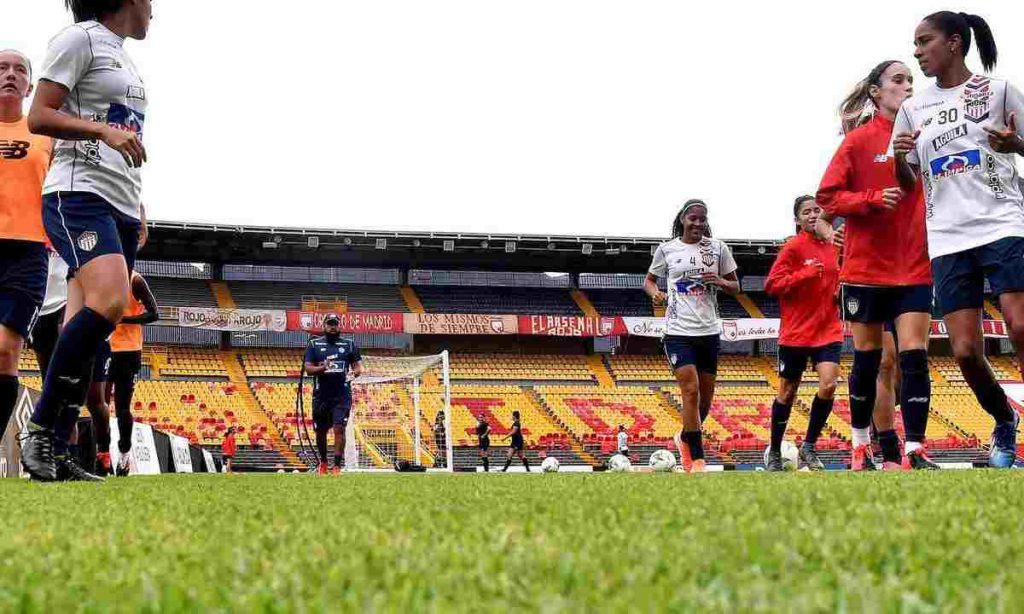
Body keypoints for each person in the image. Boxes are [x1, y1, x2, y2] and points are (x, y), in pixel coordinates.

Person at [22, 0, 154, 482]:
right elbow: (39, 116)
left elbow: (125, 134)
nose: (154, 10)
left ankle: (58, 449)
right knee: (110, 302)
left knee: (86, 325)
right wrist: (101, 130)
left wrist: (137, 204)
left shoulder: (124, 55)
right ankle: (38, 429)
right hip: (79, 193)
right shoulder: (79, 39)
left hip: (119, 202)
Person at [891, 11, 1023, 468]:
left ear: (953, 43)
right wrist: (900, 160)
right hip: (946, 237)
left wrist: (1016, 146)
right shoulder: (912, 109)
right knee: (965, 350)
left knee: (1020, 326)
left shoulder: (998, 90)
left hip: (1004, 221)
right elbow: (907, 183)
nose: (917, 51)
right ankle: (1004, 419)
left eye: (923, 41)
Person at [817, 58, 938, 471]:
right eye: (898, 80)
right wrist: (868, 201)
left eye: (911, 81)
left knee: (914, 357)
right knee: (869, 360)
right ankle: (859, 446)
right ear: (876, 92)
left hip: (914, 266)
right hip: (866, 270)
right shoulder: (857, 142)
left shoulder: (928, 137)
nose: (907, 87)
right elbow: (828, 198)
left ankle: (914, 450)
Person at [644, 200, 739, 473]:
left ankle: (685, 437)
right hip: (677, 331)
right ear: (683, 219)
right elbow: (649, 281)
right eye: (692, 218)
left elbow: (735, 285)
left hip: (708, 331)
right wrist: (656, 293)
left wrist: (719, 281)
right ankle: (696, 458)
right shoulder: (668, 249)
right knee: (691, 391)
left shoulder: (718, 248)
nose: (697, 223)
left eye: (702, 219)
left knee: (705, 401)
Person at [764, 196, 843, 471]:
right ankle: (774, 450)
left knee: (830, 384)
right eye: (806, 212)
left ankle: (809, 445)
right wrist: (804, 274)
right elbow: (772, 285)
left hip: (828, 329)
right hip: (796, 332)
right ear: (797, 220)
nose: (813, 215)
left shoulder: (834, 246)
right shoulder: (793, 247)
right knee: (787, 392)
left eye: (817, 210)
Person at [0, 49, 52, 448]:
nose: (10, 75)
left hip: (28, 251)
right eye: (2, 68)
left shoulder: (45, 133)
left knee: (5, 351)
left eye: (19, 70)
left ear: (30, 85)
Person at [102, 271, 157, 475]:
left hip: (128, 350)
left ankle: (124, 456)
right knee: (101, 404)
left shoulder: (135, 280)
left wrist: (123, 319)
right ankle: (102, 455)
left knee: (122, 407)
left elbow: (154, 314)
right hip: (104, 346)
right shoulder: (100, 273)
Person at [304, 313, 363, 475]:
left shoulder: (349, 344)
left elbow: (358, 367)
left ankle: (337, 465)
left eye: (335, 324)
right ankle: (323, 463)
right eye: (329, 324)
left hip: (342, 396)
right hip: (321, 396)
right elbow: (308, 369)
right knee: (321, 431)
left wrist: (354, 374)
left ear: (339, 326)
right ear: (324, 326)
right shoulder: (314, 344)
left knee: (339, 428)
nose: (332, 326)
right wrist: (323, 367)